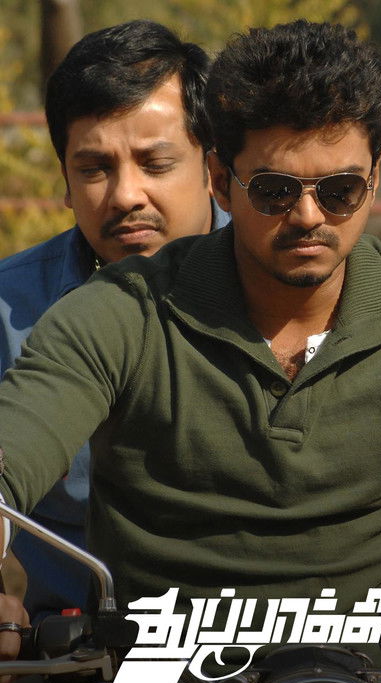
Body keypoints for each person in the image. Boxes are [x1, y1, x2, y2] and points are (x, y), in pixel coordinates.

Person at [0, 19, 381, 683]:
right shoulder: (119, 312)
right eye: (273, 190)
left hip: (376, 681)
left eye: (340, 189)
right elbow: (13, 450)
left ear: (375, 176)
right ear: (222, 180)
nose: (308, 216)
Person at [0, 19, 229, 623]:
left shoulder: (292, 287)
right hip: (76, 647)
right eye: (95, 168)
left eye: (155, 162)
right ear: (65, 183)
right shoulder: (9, 310)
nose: (126, 195)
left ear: (214, 167)